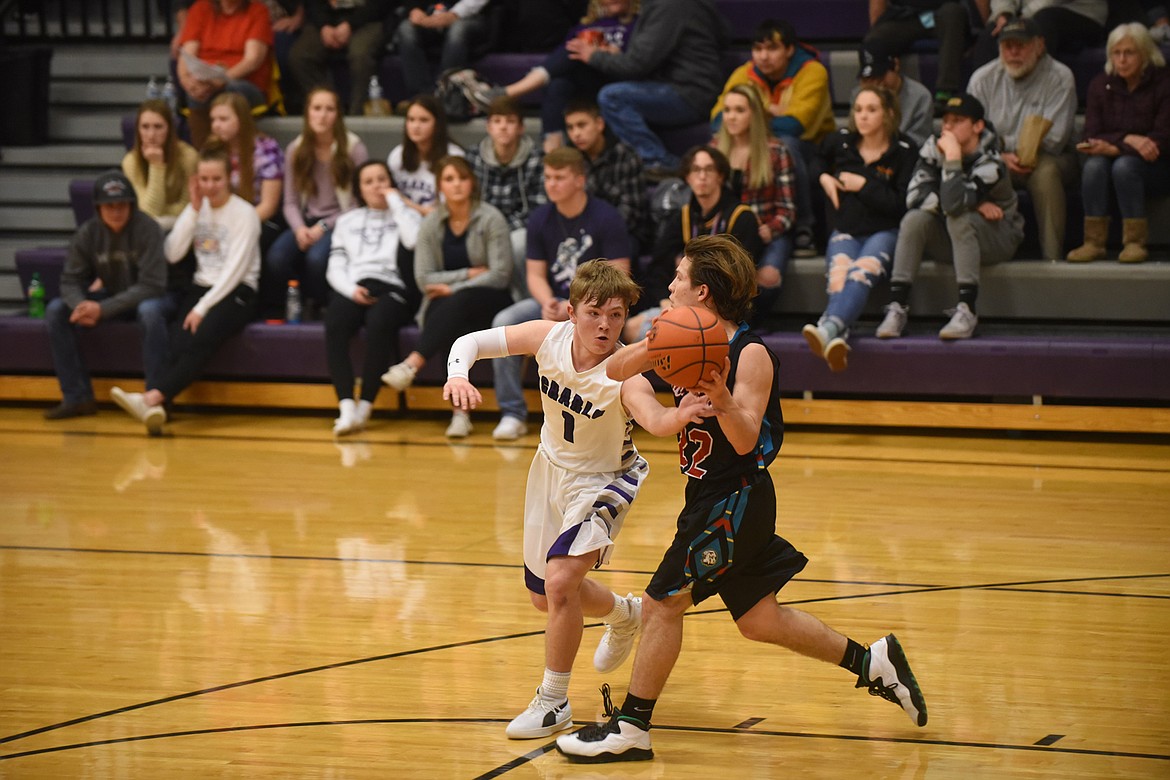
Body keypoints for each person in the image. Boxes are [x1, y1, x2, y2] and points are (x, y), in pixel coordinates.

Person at [555, 234, 928, 764]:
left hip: (736, 499)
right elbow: (612, 370)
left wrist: (724, 399)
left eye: (678, 278)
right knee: (759, 619)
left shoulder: (750, 353)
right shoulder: (676, 334)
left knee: (662, 604)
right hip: (704, 494)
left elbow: (747, 438)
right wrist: (653, 346)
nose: (669, 285)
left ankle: (632, 727)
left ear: (702, 291)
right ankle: (873, 663)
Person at [442, 259, 713, 740]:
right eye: (594, 312)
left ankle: (553, 701)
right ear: (571, 312)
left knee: (562, 582)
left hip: (605, 479)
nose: (605, 324)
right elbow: (472, 342)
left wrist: (682, 414)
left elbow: (652, 418)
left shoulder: (625, 371)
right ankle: (623, 614)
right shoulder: (547, 337)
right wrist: (458, 374)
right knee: (542, 595)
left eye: (615, 313)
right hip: (549, 470)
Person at [110, 145, 261, 434]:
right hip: (201, 285)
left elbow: (236, 269)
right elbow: (171, 253)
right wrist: (192, 210)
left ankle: (151, 397)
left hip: (237, 290)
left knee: (201, 336)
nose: (210, 186)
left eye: (216, 179)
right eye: (204, 179)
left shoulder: (245, 214)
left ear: (229, 178)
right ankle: (159, 409)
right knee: (178, 342)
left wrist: (202, 308)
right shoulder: (197, 208)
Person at [488, 147, 632, 441]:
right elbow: (535, 274)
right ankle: (512, 413)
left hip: (595, 309)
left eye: (559, 177)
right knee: (505, 319)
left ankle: (613, 413)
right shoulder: (541, 218)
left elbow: (622, 277)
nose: (550, 184)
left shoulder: (606, 217)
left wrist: (583, 309)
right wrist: (547, 302)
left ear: (579, 180)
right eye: (548, 177)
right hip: (554, 303)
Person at [381, 156, 515, 438]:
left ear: (472, 183)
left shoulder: (491, 218)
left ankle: (413, 363)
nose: (456, 185)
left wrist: (453, 286)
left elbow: (500, 274)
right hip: (448, 305)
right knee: (454, 323)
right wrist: (467, 275)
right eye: (449, 179)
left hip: (492, 299)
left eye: (462, 178)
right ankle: (460, 415)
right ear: (440, 185)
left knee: (457, 303)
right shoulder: (431, 222)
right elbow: (424, 278)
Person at [876, 93, 1023, 341]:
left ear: (977, 126)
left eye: (957, 120)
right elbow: (914, 197)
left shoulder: (992, 161)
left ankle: (967, 310)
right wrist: (974, 205)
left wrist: (953, 159)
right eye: (945, 120)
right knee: (914, 219)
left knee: (959, 218)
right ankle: (897, 308)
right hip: (957, 236)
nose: (947, 126)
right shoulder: (933, 148)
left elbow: (953, 206)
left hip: (998, 238)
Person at [803, 87, 917, 372]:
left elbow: (902, 203)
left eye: (871, 109)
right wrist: (824, 177)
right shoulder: (841, 142)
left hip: (885, 230)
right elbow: (814, 159)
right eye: (858, 109)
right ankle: (835, 336)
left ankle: (828, 327)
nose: (863, 116)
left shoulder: (904, 150)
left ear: (888, 114)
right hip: (846, 228)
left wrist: (864, 186)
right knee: (839, 275)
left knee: (861, 270)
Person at [44, 172, 169, 421]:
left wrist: (102, 310)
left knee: (150, 312)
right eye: (109, 206)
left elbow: (152, 285)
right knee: (57, 310)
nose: (115, 211)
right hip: (112, 296)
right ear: (98, 208)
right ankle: (77, 398)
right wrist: (80, 306)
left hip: (150, 297)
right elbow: (70, 280)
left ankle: (155, 400)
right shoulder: (88, 234)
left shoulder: (148, 228)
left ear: (131, 205)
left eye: (121, 204)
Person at [711, 18, 835, 257]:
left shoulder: (812, 71)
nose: (763, 56)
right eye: (758, 49)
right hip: (761, 141)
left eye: (772, 48)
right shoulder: (743, 73)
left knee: (785, 145)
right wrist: (765, 115)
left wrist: (756, 119)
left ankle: (804, 227)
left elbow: (795, 125)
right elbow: (718, 120)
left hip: (814, 147)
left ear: (790, 49)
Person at [568, 0, 726, 176]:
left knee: (612, 97)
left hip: (689, 93)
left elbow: (636, 65)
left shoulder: (668, 6)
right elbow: (725, 34)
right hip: (693, 87)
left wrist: (594, 56)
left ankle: (658, 161)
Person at [967, 18, 1078, 262]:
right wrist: (999, 155)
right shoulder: (982, 79)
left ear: (1040, 46)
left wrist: (1003, 146)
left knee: (1046, 174)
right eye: (1008, 46)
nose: (1014, 52)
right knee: (974, 167)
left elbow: (1055, 139)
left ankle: (1052, 259)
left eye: (1021, 45)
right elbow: (970, 134)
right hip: (997, 157)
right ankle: (985, 255)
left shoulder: (1060, 77)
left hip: (1049, 158)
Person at [625, 146, 762, 341]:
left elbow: (740, 276)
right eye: (696, 170)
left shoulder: (741, 216)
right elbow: (658, 268)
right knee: (631, 327)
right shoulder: (681, 216)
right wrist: (665, 302)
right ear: (687, 177)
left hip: (722, 309)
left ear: (721, 176)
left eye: (709, 170)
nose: (702, 176)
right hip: (681, 304)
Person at [468, 0, 640, 153]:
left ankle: (507, 92)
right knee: (558, 82)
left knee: (573, 50)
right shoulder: (585, 25)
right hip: (585, 80)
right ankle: (553, 151)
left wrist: (611, 54)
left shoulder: (638, 24)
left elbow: (639, 60)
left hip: (616, 79)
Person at [325, 160, 420, 436]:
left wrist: (395, 201)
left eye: (382, 179)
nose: (376, 185)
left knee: (380, 324)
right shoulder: (347, 221)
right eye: (369, 181)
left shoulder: (406, 215)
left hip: (393, 286)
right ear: (359, 189)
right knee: (335, 323)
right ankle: (346, 407)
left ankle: (365, 406)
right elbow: (335, 267)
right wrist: (350, 290)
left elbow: (413, 240)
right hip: (355, 285)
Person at [1066, 22, 1169, 264]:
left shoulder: (1164, 83)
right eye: (1116, 53)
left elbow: (1162, 138)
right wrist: (1127, 139)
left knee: (1124, 166)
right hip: (1115, 160)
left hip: (1158, 165)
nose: (1121, 59)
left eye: (1129, 53)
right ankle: (1094, 242)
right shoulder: (1101, 84)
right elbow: (1089, 135)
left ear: (1145, 54)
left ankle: (1134, 242)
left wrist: (1115, 146)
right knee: (1093, 166)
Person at [266, 87, 368, 316]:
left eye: (329, 109)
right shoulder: (296, 149)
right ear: (307, 113)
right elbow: (290, 202)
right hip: (306, 221)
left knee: (316, 259)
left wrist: (322, 227)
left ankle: (321, 305)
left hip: (341, 221)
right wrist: (301, 229)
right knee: (276, 258)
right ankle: (296, 300)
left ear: (338, 115)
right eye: (316, 108)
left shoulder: (353, 148)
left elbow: (357, 203)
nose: (322, 115)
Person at [712, 85, 797, 324]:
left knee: (768, 278)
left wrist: (771, 228)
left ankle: (752, 326)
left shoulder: (776, 151)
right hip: (726, 233)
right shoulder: (716, 149)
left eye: (739, 110)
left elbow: (788, 210)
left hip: (768, 231)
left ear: (754, 114)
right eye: (727, 110)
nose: (731, 116)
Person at [388, 95, 466, 309]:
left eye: (423, 120)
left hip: (442, 224)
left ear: (437, 123)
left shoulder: (453, 155)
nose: (415, 126)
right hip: (404, 222)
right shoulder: (397, 157)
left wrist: (404, 202)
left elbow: (449, 208)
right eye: (411, 120)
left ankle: (417, 306)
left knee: (412, 244)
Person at [464, 95, 546, 297]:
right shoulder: (474, 157)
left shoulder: (536, 158)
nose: (503, 127)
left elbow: (537, 209)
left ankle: (523, 300)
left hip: (518, 228)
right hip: (481, 226)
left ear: (521, 127)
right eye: (497, 121)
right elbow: (469, 202)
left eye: (510, 121)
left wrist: (500, 232)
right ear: (488, 126)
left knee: (518, 244)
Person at [176, 0, 275, 147]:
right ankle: (205, 156)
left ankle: (240, 153)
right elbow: (186, 55)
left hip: (245, 83)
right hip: (206, 81)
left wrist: (221, 80)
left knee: (230, 91)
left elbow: (253, 60)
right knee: (196, 92)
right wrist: (187, 81)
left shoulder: (257, 10)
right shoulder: (200, 8)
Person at [563, 98, 650, 261]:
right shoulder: (569, 158)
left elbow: (632, 211)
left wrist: (595, 233)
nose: (576, 133)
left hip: (621, 233)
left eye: (582, 125)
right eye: (570, 127)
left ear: (600, 124)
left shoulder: (625, 156)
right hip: (577, 232)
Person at [864, 0, 990, 112]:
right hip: (905, 15)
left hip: (946, 13)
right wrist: (876, 28)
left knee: (953, 12)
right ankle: (876, 97)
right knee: (874, 40)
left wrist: (983, 34)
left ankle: (945, 92)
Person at [208, 91, 285, 254]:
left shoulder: (266, 149)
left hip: (260, 219)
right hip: (223, 218)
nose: (216, 125)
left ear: (241, 120)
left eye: (223, 119)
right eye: (213, 119)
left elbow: (268, 206)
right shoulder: (213, 148)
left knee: (234, 243)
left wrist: (237, 225)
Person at [287, 0, 392, 115]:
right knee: (300, 56)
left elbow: (382, 4)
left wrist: (350, 24)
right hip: (327, 19)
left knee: (360, 55)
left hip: (369, 19)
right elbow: (313, 4)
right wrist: (324, 25)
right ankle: (328, 108)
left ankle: (355, 115)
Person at [122, 99, 200, 232]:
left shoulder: (189, 157)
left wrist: (161, 211)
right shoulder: (131, 161)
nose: (151, 135)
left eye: (158, 127)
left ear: (169, 129)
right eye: (145, 127)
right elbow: (149, 212)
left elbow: (188, 206)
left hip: (184, 224)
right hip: (149, 226)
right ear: (138, 130)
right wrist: (156, 166)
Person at [394, 0, 494, 100]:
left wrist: (455, 13)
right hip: (430, 14)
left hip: (471, 16)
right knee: (406, 29)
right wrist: (414, 9)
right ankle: (422, 98)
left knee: (457, 30)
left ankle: (447, 97)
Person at [973, 0, 1107, 65]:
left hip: (1081, 11)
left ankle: (1035, 97)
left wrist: (1020, 19)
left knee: (1042, 23)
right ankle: (979, 107)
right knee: (991, 33)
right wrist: (1004, 13)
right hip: (1027, 14)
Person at [856, 40, 934, 148]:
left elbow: (919, 144)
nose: (876, 84)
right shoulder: (859, 95)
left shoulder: (920, 97)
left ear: (896, 65)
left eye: (880, 76)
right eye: (869, 78)